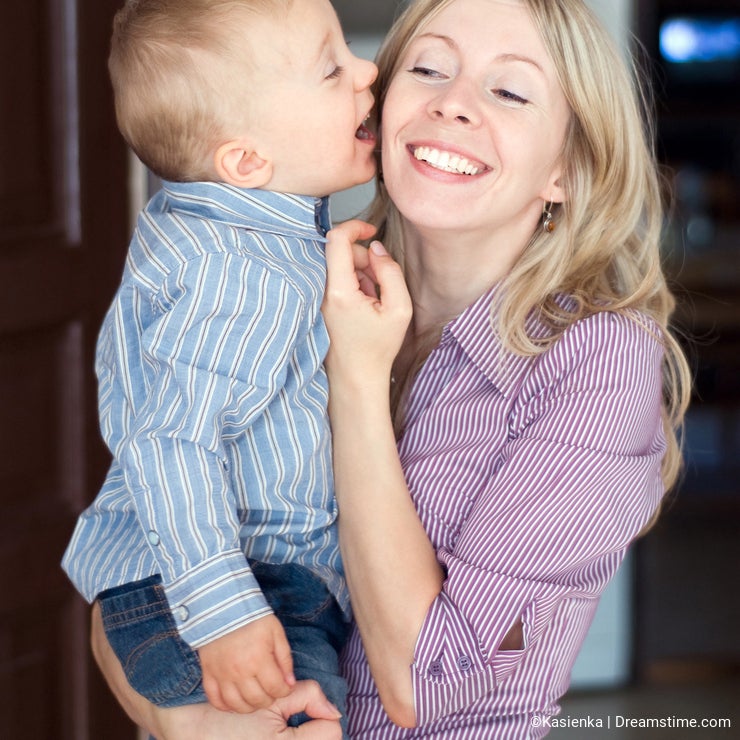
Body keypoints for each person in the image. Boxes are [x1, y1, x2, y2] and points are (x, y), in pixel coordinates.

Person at [90, 0, 692, 737]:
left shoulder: (600, 362)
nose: (452, 105)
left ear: (565, 169)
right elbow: (128, 573)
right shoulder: (290, 281)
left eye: (508, 91)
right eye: (429, 68)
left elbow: (422, 686)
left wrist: (356, 381)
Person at [62, 0, 377, 734]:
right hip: (228, 587)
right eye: (333, 68)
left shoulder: (230, 230)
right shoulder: (236, 273)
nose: (367, 70)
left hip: (203, 584)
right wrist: (225, 613)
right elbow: (170, 442)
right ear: (246, 160)